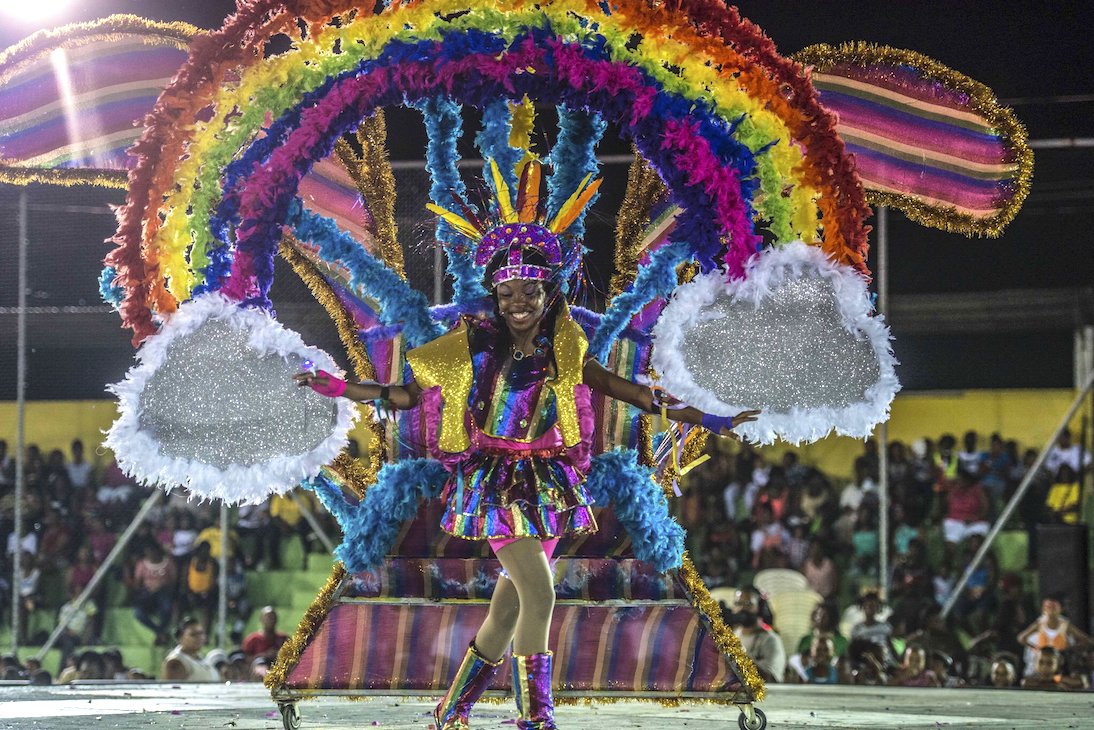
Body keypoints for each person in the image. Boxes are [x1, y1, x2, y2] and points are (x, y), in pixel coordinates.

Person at [296, 173, 759, 730]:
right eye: (508, 293)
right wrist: (342, 388)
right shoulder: (469, 345)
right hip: (493, 486)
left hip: (550, 487)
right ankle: (535, 718)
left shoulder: (568, 349)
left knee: (508, 609)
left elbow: (636, 394)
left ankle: (451, 712)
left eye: (530, 292)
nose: (518, 303)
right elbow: (402, 395)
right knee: (540, 595)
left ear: (548, 294)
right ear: (495, 295)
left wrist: (713, 418)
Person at [1017, 595, 1093, 676]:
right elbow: (1021, 638)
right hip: (1043, 661)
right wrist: (1036, 648)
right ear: (1043, 609)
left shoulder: (1065, 625)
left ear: (1060, 609)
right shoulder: (1040, 623)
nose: (1050, 610)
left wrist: (1071, 647)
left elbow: (1087, 640)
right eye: (1047, 607)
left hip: (1060, 663)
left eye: (1053, 607)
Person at [726, 587, 785, 683]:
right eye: (738, 604)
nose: (741, 608)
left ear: (760, 607)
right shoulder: (732, 636)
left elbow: (772, 679)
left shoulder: (771, 640)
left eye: (748, 604)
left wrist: (739, 657)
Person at [161, 617, 219, 682]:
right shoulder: (175, 662)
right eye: (193, 634)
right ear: (181, 637)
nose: (199, 637)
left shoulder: (200, 657)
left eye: (201, 633)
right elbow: (175, 689)